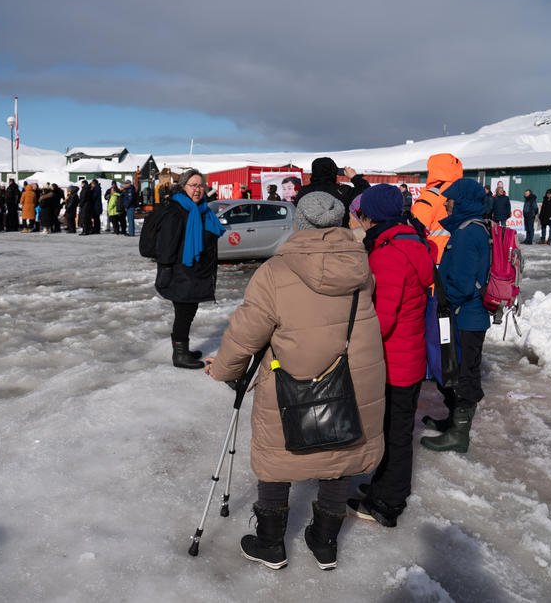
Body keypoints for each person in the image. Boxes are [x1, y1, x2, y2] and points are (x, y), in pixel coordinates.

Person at [205, 191, 385, 570]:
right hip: (353, 378)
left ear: (299, 224)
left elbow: (246, 333)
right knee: (340, 454)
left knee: (277, 457)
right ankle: (325, 542)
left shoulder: (275, 271)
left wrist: (224, 369)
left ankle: (271, 543)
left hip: (293, 380)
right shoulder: (360, 268)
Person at [346, 184, 434, 528]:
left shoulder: (388, 253)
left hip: (393, 361)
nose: (361, 221)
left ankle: (388, 503)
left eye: (363, 215)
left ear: (374, 216)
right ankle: (384, 486)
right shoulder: (411, 241)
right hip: (407, 358)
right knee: (393, 430)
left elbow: (381, 319)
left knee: (395, 434)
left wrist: (352, 342)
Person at [420, 179, 491, 453]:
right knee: (457, 369)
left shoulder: (467, 233)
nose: (446, 204)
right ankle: (453, 422)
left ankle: (460, 433)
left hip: (465, 316)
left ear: (462, 201)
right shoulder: (470, 228)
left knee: (462, 372)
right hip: (466, 315)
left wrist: (441, 300)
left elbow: (462, 283)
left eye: (450, 200)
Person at [154, 169, 224, 369]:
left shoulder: (201, 208)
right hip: (182, 272)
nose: (198, 190)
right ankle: (180, 355)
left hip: (196, 271)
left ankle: (183, 349)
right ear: (183, 187)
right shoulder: (177, 210)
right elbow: (167, 244)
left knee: (189, 312)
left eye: (201, 185)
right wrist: (165, 269)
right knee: (184, 313)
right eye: (193, 185)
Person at [411, 153, 464, 262]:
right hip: (460, 258)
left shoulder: (428, 198)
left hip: (435, 259)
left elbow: (413, 236)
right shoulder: (464, 194)